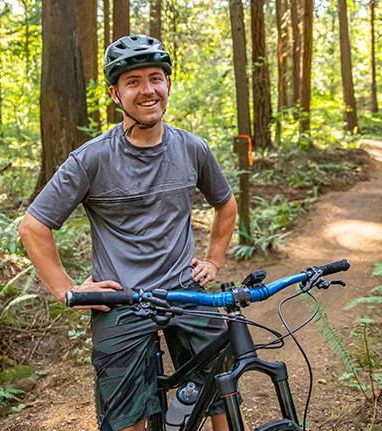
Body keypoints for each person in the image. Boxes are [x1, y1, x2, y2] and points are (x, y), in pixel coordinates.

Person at [18, 34, 237, 431]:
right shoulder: (91, 158)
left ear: (168, 84)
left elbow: (226, 204)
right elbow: (34, 227)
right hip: (120, 299)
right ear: (115, 94)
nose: (147, 89)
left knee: (222, 397)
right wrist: (68, 290)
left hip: (185, 289)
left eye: (155, 78)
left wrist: (213, 260)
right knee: (128, 421)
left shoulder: (193, 149)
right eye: (132, 81)